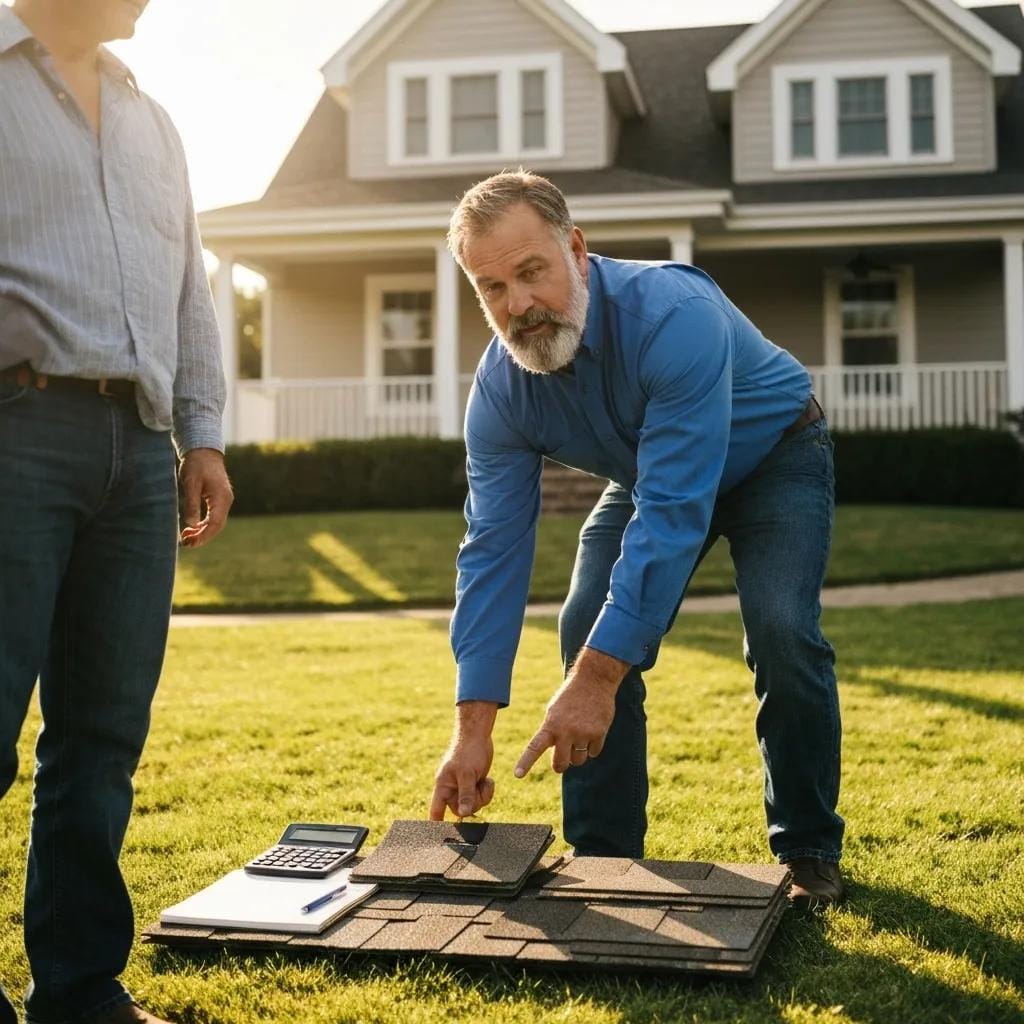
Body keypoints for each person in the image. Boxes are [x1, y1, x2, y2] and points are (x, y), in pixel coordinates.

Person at [429, 170, 845, 913]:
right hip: (649, 474)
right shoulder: (500, 391)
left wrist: (597, 682)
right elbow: (491, 550)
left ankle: (808, 849)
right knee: (584, 622)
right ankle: (603, 857)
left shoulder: (674, 315)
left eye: (532, 272)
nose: (518, 305)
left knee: (782, 630)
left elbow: (674, 514)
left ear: (577, 250)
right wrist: (473, 728)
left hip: (773, 456)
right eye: (492, 288)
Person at [0, 1, 232, 1021]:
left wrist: (204, 431)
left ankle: (81, 987)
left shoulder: (156, 121)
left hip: (138, 455)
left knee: (100, 736)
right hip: (17, 426)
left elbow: (191, 286)